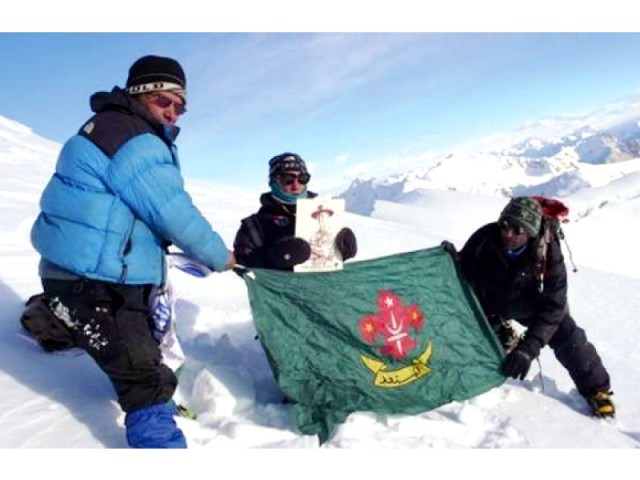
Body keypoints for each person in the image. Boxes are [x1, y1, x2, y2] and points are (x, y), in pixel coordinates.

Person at [27, 54, 236, 448]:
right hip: (91, 279)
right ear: (139, 95)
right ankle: (158, 440)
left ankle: (57, 316)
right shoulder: (133, 138)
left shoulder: (115, 127)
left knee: (140, 342)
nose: (173, 112)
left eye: (180, 106)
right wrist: (218, 256)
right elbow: (173, 210)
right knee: (141, 371)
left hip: (86, 269)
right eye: (164, 101)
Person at [446, 196, 614, 417]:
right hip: (493, 301)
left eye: (518, 230)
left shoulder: (548, 254)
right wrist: (451, 261)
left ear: (531, 232)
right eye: (505, 225)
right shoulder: (486, 237)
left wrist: (528, 349)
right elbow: (466, 271)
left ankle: (597, 391)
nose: (508, 234)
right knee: (474, 328)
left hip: (532, 306)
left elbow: (554, 307)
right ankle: (501, 330)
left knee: (568, 336)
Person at [233, 152, 357, 270]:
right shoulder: (254, 225)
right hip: (281, 291)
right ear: (273, 182)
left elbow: (327, 263)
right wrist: (272, 258)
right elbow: (241, 265)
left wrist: (341, 252)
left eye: (302, 178)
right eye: (288, 179)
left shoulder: (325, 214)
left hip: (322, 289)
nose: (296, 185)